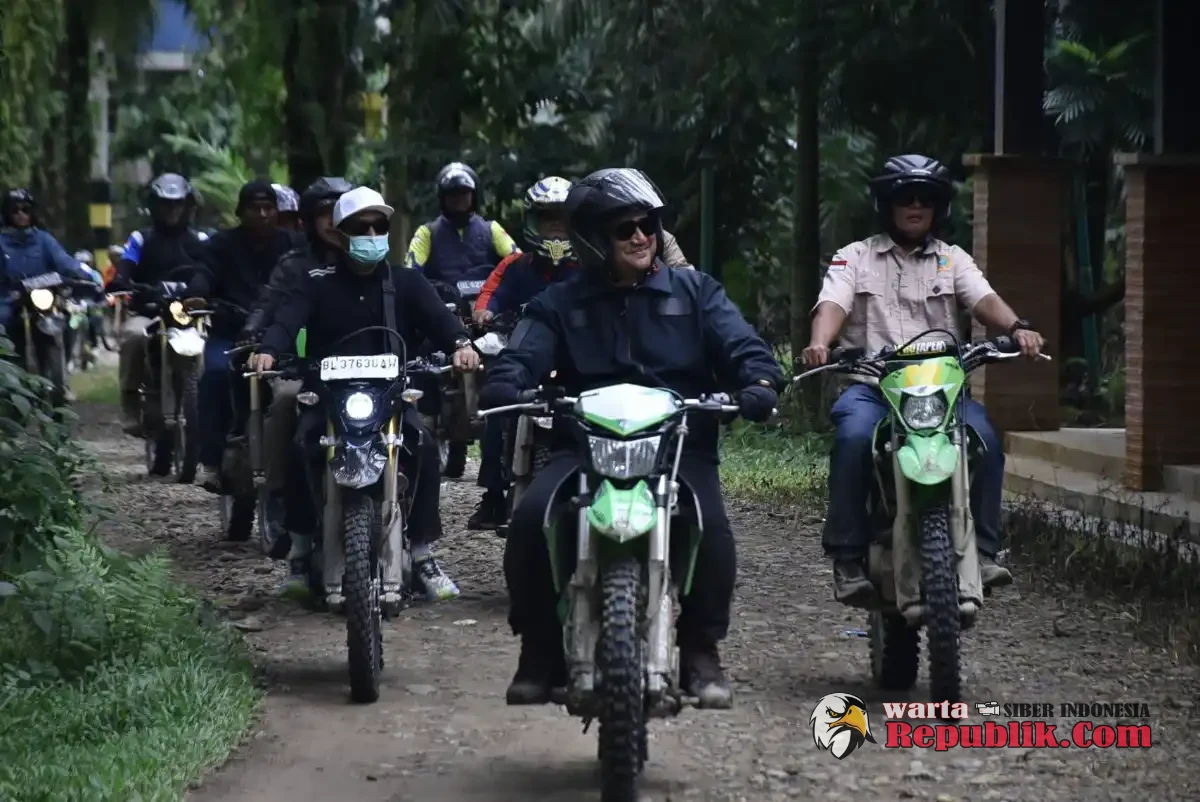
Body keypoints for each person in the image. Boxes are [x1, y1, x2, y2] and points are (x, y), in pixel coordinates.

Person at [480, 168, 783, 708]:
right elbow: (523, 353)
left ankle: (700, 649)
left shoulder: (696, 292)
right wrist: (507, 380)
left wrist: (758, 381)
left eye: (648, 225)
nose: (641, 237)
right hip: (584, 446)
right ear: (593, 239)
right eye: (625, 229)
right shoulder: (559, 302)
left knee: (712, 529)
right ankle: (539, 649)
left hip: (678, 445)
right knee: (530, 520)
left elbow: (743, 346)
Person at [802, 154, 1046, 605]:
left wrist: (1016, 328)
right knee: (854, 439)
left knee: (985, 441)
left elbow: (983, 298)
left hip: (942, 393)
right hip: (874, 390)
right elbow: (833, 304)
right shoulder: (854, 257)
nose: (916, 206)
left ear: (939, 207)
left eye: (926, 199)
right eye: (905, 197)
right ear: (886, 204)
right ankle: (847, 558)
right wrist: (821, 342)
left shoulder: (952, 260)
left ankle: (984, 551)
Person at [250, 186, 482, 605]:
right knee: (303, 443)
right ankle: (299, 554)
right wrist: (268, 349)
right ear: (340, 235)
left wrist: (461, 345)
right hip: (328, 396)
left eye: (379, 226)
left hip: (390, 395)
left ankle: (422, 554)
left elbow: (441, 323)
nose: (372, 234)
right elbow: (286, 321)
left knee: (423, 445)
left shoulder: (407, 282)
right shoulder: (314, 283)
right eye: (361, 228)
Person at [241, 176, 353, 582]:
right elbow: (272, 306)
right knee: (287, 400)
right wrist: (256, 337)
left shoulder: (367, 260)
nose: (333, 222)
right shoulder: (295, 266)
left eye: (340, 213)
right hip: (303, 367)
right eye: (324, 214)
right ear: (308, 219)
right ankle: (277, 493)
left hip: (363, 368)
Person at [465, 176, 579, 530]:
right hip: (520, 351)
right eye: (547, 219)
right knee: (498, 407)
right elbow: (488, 297)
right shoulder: (514, 266)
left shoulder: (590, 267)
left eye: (562, 219)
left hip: (574, 354)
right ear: (532, 222)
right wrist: (484, 314)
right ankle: (493, 495)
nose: (555, 227)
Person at [186, 180, 304, 493]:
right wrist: (197, 293)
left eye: (268, 208)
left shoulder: (295, 245)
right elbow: (204, 272)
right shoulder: (221, 245)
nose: (262, 214)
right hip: (230, 334)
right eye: (255, 208)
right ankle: (211, 460)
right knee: (213, 374)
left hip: (284, 337)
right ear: (241, 212)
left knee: (302, 384)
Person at [111, 173, 210, 437]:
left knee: (216, 344)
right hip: (149, 312)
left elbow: (213, 269)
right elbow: (126, 266)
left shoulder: (201, 240)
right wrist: (121, 280)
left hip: (191, 313)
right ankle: (131, 401)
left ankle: (216, 408)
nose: (172, 210)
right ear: (154, 205)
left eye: (178, 204)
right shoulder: (141, 238)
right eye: (166, 204)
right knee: (133, 336)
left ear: (188, 205)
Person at [0, 189, 100, 398]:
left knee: (63, 321)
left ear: (32, 212)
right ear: (7, 213)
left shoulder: (43, 239)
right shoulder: (1, 241)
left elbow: (65, 262)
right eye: (15, 210)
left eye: (25, 209)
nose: (21, 214)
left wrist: (88, 275)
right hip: (8, 298)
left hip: (41, 298)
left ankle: (60, 384)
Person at [404, 162, 519, 286]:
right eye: (453, 194)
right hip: (441, 297)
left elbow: (520, 263)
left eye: (464, 193)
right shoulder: (426, 233)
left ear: (474, 196)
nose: (459, 199)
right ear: (443, 198)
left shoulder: (492, 229)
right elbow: (410, 271)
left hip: (488, 296)